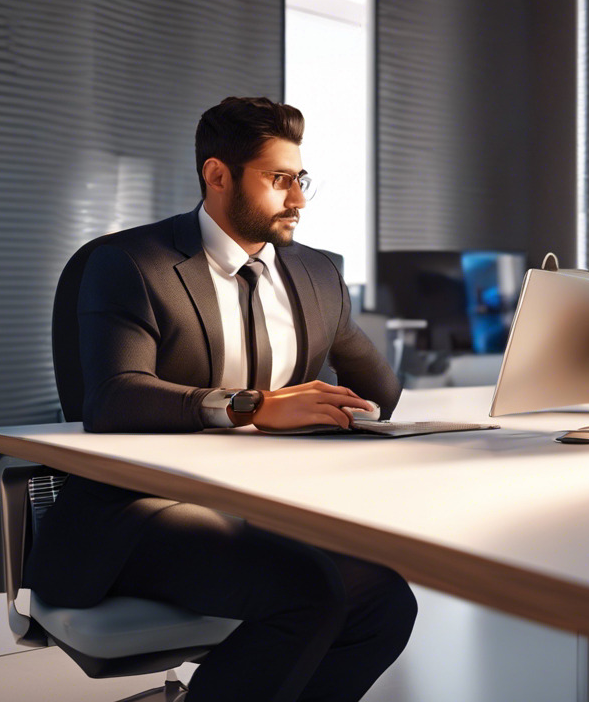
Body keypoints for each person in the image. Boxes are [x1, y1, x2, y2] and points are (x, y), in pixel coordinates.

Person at [24, 97, 416, 702]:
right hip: (138, 514)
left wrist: (346, 394)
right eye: (279, 180)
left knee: (385, 601)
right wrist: (253, 405)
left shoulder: (313, 274)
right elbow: (112, 398)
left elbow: (379, 393)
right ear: (217, 175)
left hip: (257, 509)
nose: (299, 199)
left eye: (301, 179)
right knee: (306, 590)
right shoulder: (132, 263)